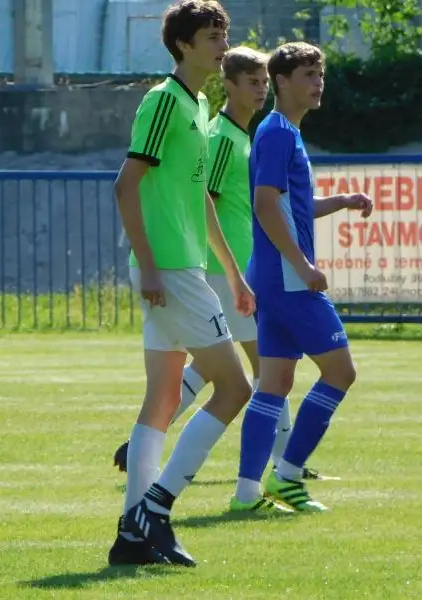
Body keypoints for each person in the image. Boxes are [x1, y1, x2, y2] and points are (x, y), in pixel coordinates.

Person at [113, 46, 329, 491]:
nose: (260, 88)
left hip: (228, 269)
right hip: (205, 267)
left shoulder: (242, 135)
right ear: (229, 83)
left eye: (263, 82)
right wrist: (226, 268)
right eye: (252, 81)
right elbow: (200, 198)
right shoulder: (218, 136)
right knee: (264, 368)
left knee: (220, 369)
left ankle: (143, 455)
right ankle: (279, 469)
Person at [108, 1, 257, 568]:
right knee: (235, 387)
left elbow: (201, 202)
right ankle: (156, 510)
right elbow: (126, 186)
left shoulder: (199, 105)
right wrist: (148, 265)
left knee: (165, 398)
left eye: (224, 35)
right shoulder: (163, 101)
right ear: (183, 46)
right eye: (211, 37)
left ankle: (130, 538)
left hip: (186, 266)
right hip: (168, 270)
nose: (222, 45)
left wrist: (235, 273)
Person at [237, 41, 373, 513]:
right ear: (281, 81)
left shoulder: (279, 131)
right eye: (308, 75)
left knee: (274, 381)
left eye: (320, 75)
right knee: (341, 372)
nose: (318, 84)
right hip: (286, 278)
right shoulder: (277, 133)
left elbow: (288, 206)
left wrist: (341, 201)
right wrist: (302, 265)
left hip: (270, 277)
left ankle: (244, 493)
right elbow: (264, 205)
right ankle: (288, 476)